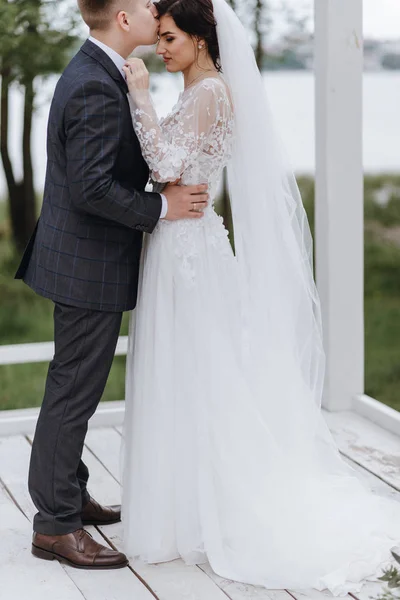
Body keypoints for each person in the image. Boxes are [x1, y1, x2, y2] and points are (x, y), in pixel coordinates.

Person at [121, 0, 400, 594]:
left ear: (200, 39)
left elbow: (169, 164)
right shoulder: (194, 91)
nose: (160, 48)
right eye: (160, 39)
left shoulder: (210, 93)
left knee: (200, 370)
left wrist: (139, 96)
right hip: (180, 243)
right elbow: (173, 171)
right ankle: (182, 504)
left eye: (170, 38)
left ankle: (209, 509)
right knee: (185, 370)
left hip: (189, 248)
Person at [14, 0, 209, 569]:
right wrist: (162, 207)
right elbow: (92, 188)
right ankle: (54, 525)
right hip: (86, 262)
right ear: (123, 18)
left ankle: (69, 496)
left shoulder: (101, 71)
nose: (156, 10)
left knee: (74, 386)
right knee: (74, 392)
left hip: (83, 258)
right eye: (147, 4)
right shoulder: (96, 85)